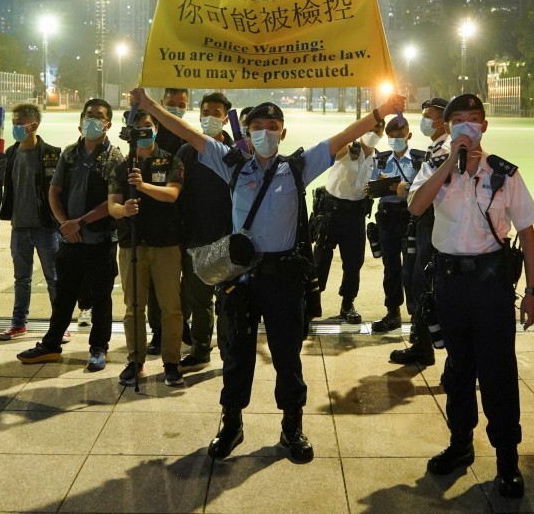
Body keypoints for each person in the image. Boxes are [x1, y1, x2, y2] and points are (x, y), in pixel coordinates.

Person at [129, 87, 406, 464]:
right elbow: (190, 134)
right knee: (236, 358)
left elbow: (341, 138)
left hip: (284, 280)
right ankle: (232, 423)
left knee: (288, 358)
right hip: (241, 280)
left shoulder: (297, 167)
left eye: (273, 126)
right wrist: (148, 106)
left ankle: (292, 425)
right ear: (246, 131)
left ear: (283, 133)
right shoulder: (231, 163)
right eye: (257, 126)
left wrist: (379, 114)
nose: (265, 132)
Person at [408, 93, 534, 499]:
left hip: (490, 287)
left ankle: (507, 461)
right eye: (459, 119)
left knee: (498, 372)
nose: (468, 124)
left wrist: (532, 292)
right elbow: (415, 207)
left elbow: (528, 234)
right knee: (458, 370)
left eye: (475, 118)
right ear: (448, 128)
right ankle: (460, 443)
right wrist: (452, 161)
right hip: (449, 284)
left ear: (485, 126)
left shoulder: (504, 174)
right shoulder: (434, 169)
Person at [17, 99, 122, 372]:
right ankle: (51, 345)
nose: (92, 121)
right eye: (89, 115)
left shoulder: (115, 158)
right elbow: (54, 192)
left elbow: (114, 200)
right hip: (70, 240)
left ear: (108, 124)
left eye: (99, 117)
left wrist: (80, 222)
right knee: (64, 296)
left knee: (101, 299)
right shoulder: (69, 154)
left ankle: (99, 348)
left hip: (100, 241)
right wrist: (65, 224)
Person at [108, 109, 186, 387]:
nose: (143, 132)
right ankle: (135, 360)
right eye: (137, 128)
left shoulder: (170, 160)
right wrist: (123, 209)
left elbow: (172, 194)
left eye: (147, 126)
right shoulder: (122, 166)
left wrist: (144, 185)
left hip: (165, 244)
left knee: (171, 308)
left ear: (155, 129)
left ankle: (171, 362)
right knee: (133, 307)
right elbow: (112, 205)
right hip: (132, 245)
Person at [175, 92, 235, 370]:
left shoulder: (239, 154)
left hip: (227, 240)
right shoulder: (187, 151)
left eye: (217, 112)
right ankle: (201, 350)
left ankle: (229, 350)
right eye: (206, 111)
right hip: (195, 238)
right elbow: (178, 195)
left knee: (228, 301)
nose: (210, 117)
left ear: (226, 117)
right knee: (198, 301)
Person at [0, 103, 64, 341]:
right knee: (21, 279)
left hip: (46, 228)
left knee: (54, 279)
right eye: (13, 122)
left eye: (19, 123)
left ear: (33, 125)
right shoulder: (10, 154)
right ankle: (18, 323)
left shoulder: (53, 154)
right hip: (19, 227)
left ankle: (60, 324)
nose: (15, 126)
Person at [391, 97, 449, 365]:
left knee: (425, 285)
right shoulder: (436, 148)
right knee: (415, 282)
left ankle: (427, 346)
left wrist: (408, 188)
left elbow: (436, 188)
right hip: (424, 223)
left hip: (434, 223)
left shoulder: (445, 151)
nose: (424, 119)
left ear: (442, 120)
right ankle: (421, 343)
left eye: (429, 115)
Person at [312, 122, 381, 324]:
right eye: (370, 129)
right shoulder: (347, 148)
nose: (373, 133)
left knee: (354, 262)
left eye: (377, 130)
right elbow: (331, 151)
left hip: (355, 215)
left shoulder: (378, 159)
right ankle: (312, 302)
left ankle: (347, 304)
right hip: (331, 212)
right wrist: (347, 146)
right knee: (320, 259)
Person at [367, 115, 424, 333]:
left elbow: (422, 189)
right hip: (387, 218)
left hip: (410, 219)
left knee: (412, 269)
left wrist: (397, 187)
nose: (395, 139)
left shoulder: (420, 160)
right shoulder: (380, 160)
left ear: (409, 135)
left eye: (399, 135)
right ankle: (393, 313)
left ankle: (416, 316)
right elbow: (371, 188)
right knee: (391, 269)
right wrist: (393, 187)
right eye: (391, 136)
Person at [144, 87, 190, 354]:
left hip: (184, 219)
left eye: (180, 104)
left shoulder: (192, 136)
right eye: (170, 103)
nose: (175, 108)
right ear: (161, 103)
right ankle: (158, 331)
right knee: (154, 283)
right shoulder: (149, 135)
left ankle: (183, 325)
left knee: (186, 282)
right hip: (156, 221)